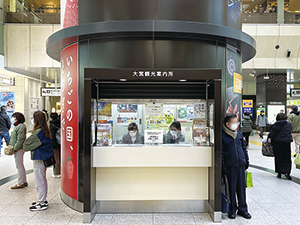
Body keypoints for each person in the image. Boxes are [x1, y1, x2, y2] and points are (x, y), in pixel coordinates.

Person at [222, 114, 251, 220]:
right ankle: (232, 209)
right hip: (231, 165)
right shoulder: (223, 135)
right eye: (234, 122)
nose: (236, 124)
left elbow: (244, 148)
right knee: (231, 188)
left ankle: (243, 209)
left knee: (242, 188)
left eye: (237, 122)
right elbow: (221, 151)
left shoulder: (239, 134)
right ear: (227, 124)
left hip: (241, 164)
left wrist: (246, 160)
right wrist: (223, 164)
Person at [23, 111, 54, 211]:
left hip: (39, 158)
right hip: (44, 158)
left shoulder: (38, 132)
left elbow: (26, 145)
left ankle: (41, 202)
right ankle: (43, 200)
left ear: (36, 120)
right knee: (42, 179)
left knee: (39, 180)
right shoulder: (45, 130)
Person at [268, 113, 293, 180]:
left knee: (278, 158)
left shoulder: (275, 125)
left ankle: (279, 172)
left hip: (277, 143)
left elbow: (271, 135)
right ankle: (287, 172)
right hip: (286, 143)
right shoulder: (289, 124)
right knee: (287, 158)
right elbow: (290, 131)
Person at [9, 112, 28, 189]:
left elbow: (20, 139)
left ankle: (20, 183)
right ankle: (23, 181)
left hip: (19, 149)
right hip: (18, 148)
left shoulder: (21, 126)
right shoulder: (18, 126)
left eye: (14, 117)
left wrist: (15, 148)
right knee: (20, 165)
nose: (13, 119)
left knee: (19, 166)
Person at [49, 113, 61, 178]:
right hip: (61, 143)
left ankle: (57, 172)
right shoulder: (61, 123)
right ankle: (62, 171)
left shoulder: (52, 125)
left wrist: (53, 145)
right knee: (61, 157)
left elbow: (52, 136)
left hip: (55, 144)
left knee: (56, 159)